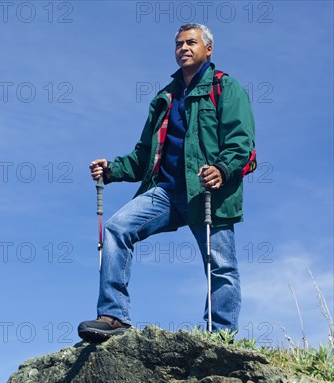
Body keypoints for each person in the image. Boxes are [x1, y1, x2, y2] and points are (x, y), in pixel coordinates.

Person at [78, 23, 256, 343]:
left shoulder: (226, 88)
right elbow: (144, 155)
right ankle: (114, 315)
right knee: (118, 228)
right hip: (165, 191)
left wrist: (222, 169)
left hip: (207, 192)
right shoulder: (165, 97)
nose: (183, 48)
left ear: (208, 49)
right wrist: (112, 170)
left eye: (191, 42)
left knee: (221, 265)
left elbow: (241, 143)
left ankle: (221, 336)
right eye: (178, 44)